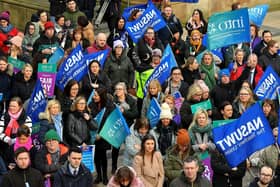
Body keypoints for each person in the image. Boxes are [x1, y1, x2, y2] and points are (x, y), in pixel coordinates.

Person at [88, 87, 115, 185]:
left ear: (101, 96)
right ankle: (99, 176)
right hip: (93, 135)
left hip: (104, 134)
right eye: (94, 95)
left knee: (103, 156)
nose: (94, 97)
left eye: (96, 95)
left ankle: (105, 176)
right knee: (96, 157)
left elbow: (111, 120)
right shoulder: (91, 105)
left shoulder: (109, 105)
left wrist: (102, 134)